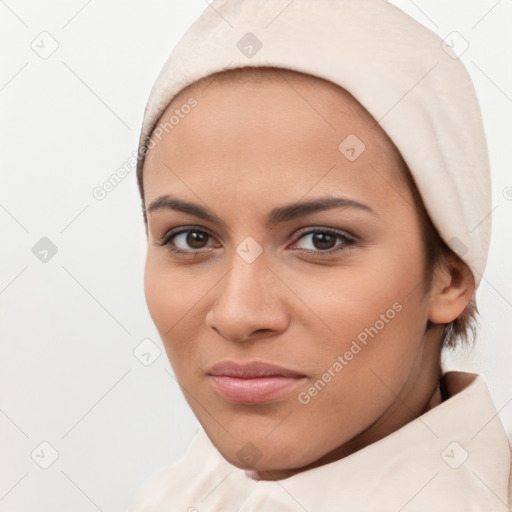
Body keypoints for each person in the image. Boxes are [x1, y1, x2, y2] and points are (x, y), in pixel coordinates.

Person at [128, 0, 512, 510]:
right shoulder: (178, 493)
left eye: (321, 240)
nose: (239, 315)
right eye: (192, 239)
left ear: (450, 277)